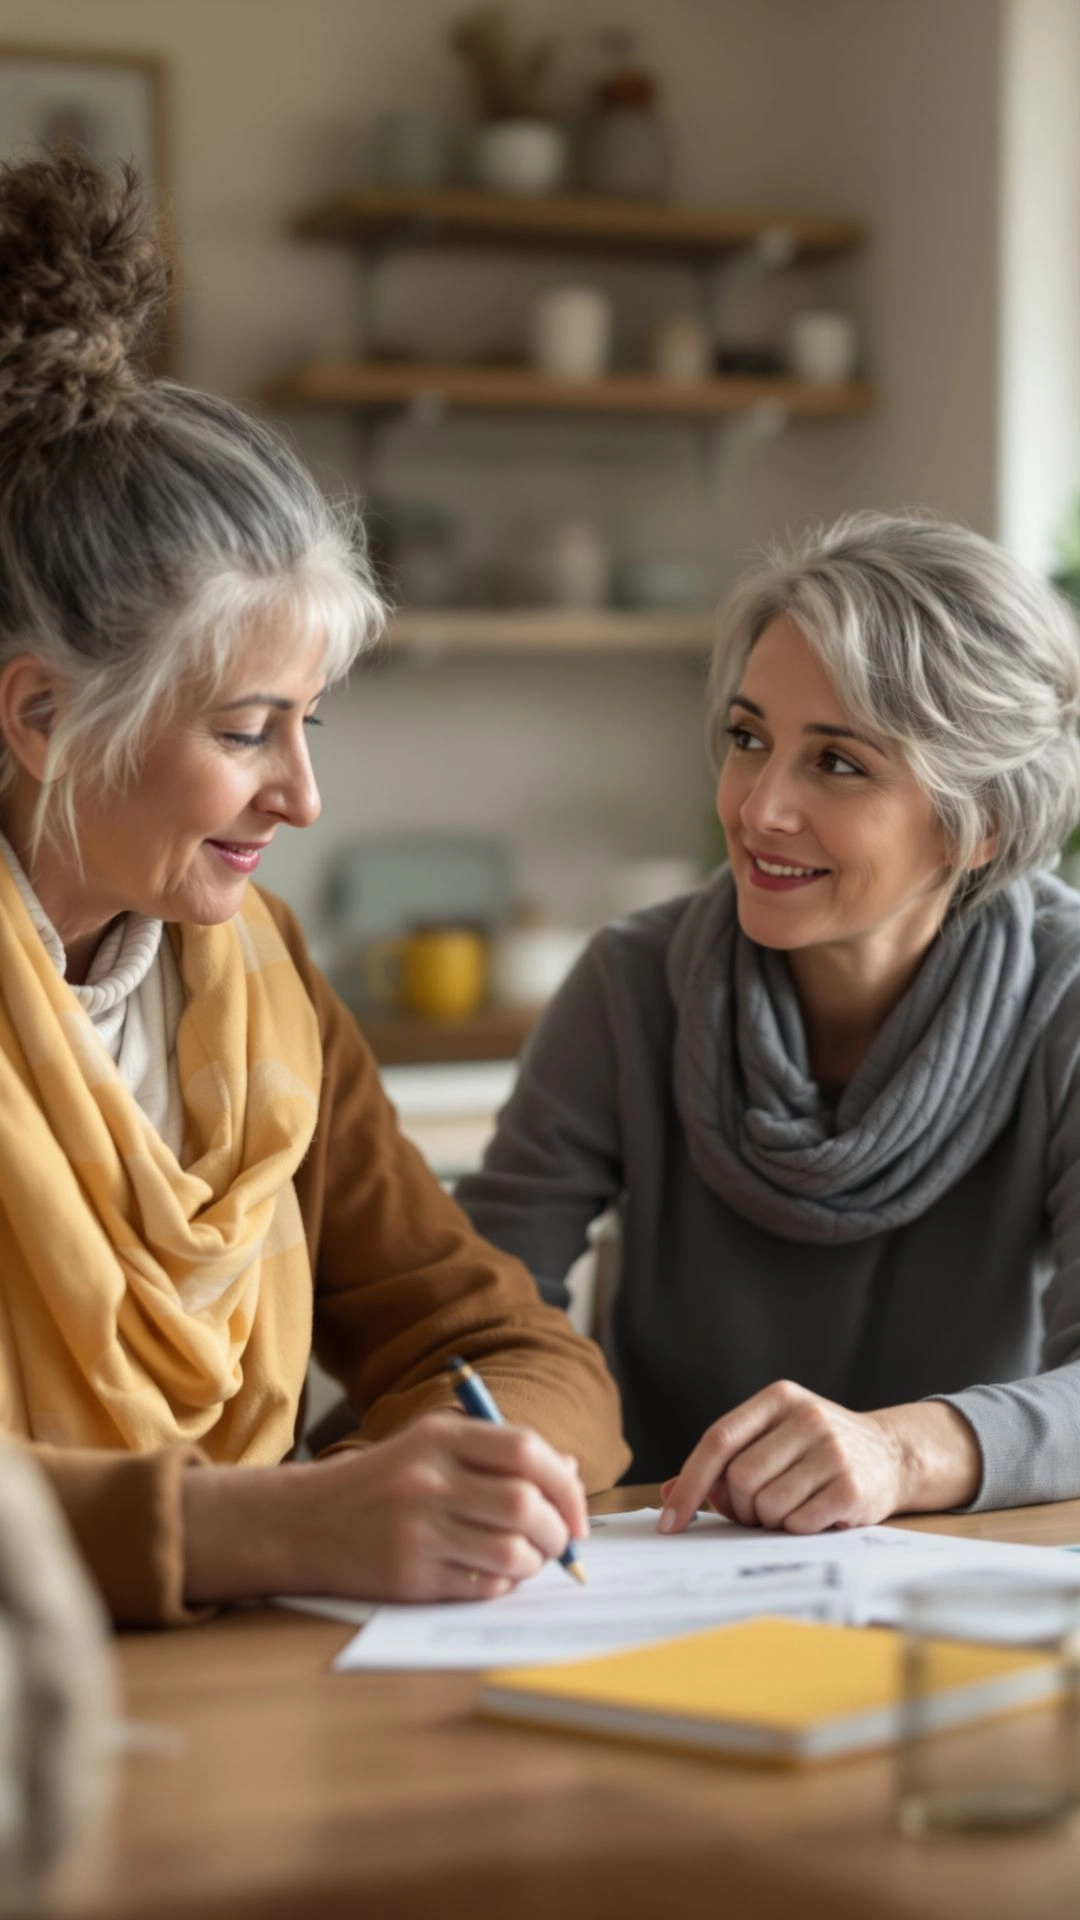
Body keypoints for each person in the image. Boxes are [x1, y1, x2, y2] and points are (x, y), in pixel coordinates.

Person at [0, 150, 628, 1628]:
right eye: (242, 732)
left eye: (309, 723)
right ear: (39, 719)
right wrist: (272, 1526)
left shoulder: (253, 971)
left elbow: (505, 1346)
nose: (304, 796)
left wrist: (457, 1469)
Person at [457, 510, 1080, 1535]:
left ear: (984, 827)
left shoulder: (1064, 1002)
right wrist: (507, 1455)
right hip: (657, 1560)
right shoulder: (630, 983)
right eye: (750, 739)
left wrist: (901, 1451)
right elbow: (481, 1308)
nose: (757, 809)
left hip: (963, 1575)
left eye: (837, 763)